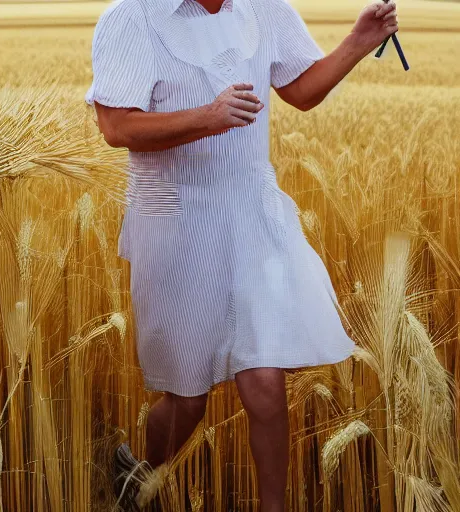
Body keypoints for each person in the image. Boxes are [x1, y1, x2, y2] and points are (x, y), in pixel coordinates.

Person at [84, 0, 398, 510]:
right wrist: (208, 117)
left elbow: (300, 90)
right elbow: (116, 127)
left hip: (255, 213)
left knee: (264, 382)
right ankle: (135, 477)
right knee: (188, 400)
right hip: (174, 218)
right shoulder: (132, 17)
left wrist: (359, 42)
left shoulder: (265, 7)